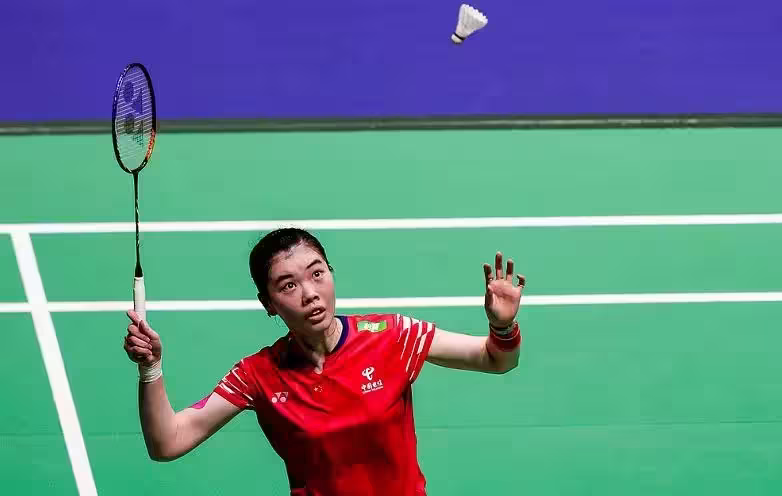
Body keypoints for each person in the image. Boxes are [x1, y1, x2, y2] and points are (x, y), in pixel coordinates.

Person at [123, 228, 525, 496]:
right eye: (288, 285)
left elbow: (495, 359)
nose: (310, 293)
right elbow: (167, 442)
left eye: (317, 274)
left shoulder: (392, 336)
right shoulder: (257, 374)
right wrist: (150, 369)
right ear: (268, 304)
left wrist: (501, 326)